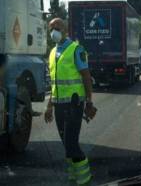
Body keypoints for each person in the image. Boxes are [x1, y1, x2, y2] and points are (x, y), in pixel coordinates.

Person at [44, 18, 97, 185]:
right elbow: (54, 84)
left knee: (71, 144)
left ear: (65, 30)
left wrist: (89, 102)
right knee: (66, 145)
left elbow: (86, 76)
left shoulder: (76, 49)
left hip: (74, 104)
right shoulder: (52, 53)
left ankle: (85, 180)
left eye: (57, 27)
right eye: (51, 28)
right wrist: (49, 106)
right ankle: (73, 178)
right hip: (59, 105)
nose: (54, 31)